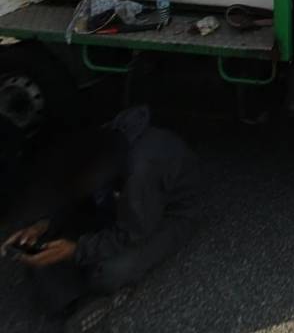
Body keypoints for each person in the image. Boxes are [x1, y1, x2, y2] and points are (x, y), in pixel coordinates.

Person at [3, 106, 200, 330]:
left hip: (165, 214)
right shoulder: (96, 148)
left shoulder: (141, 174)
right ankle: (71, 301)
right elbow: (68, 194)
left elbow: (131, 233)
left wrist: (76, 250)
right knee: (43, 245)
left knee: (110, 271)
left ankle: (102, 295)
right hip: (117, 200)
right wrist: (42, 224)